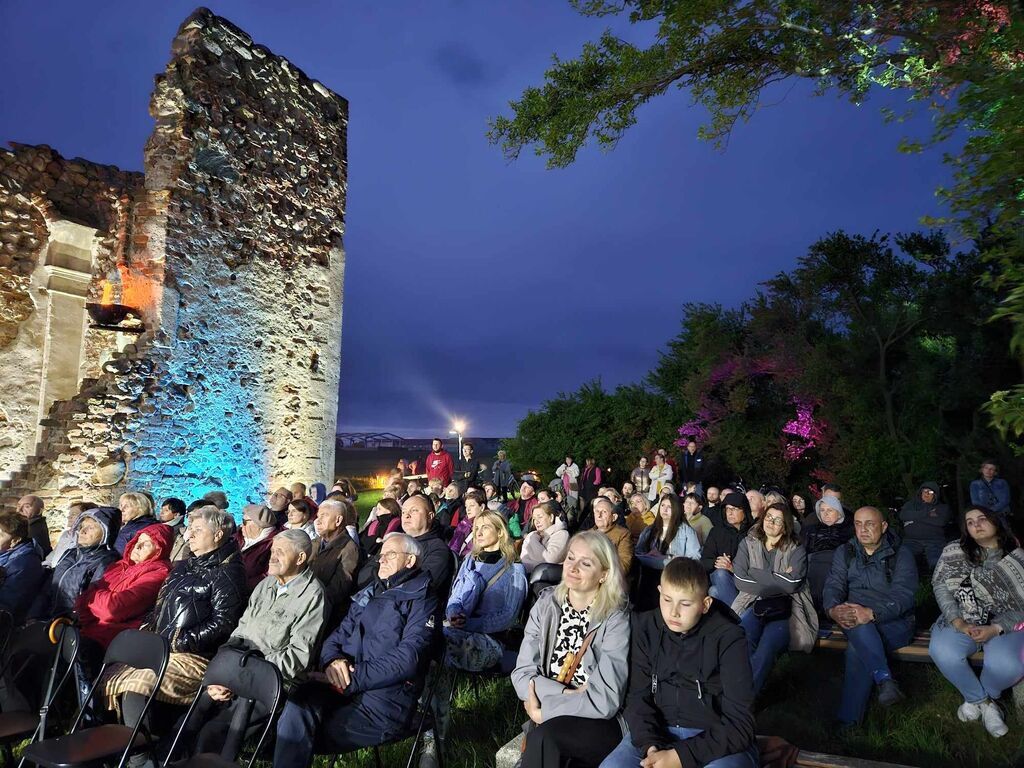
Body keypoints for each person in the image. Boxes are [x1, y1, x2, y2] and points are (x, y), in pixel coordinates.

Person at [273, 533, 436, 768]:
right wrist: (333, 662)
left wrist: (352, 677)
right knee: (297, 706)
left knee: (293, 736)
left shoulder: (421, 598)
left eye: (390, 555)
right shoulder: (371, 591)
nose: (381, 560)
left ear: (410, 561)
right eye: (381, 555)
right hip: (340, 686)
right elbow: (334, 638)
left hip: (382, 700)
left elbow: (409, 658)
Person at [104, 506, 246, 743]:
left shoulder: (229, 572)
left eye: (197, 530)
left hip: (193, 655)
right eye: (189, 528)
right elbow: (159, 605)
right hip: (162, 648)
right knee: (112, 674)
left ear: (218, 534)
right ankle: (115, 746)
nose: (189, 535)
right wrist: (147, 629)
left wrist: (179, 641)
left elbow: (224, 623)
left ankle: (142, 756)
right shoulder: (184, 566)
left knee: (138, 686)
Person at [602, 557, 758, 768]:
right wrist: (651, 746)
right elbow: (637, 697)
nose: (673, 612)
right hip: (658, 732)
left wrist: (680, 757)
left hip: (714, 738)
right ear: (659, 591)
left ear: (705, 604)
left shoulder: (728, 636)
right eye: (667, 599)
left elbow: (740, 723)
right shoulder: (645, 627)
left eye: (685, 603)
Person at [512, 531, 630, 768]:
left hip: (600, 721)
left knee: (545, 739)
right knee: (545, 740)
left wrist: (545, 711)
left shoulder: (615, 619)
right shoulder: (545, 606)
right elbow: (521, 676)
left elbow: (605, 699)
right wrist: (566, 694)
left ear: (604, 575)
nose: (573, 568)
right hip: (558, 712)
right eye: (570, 558)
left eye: (586, 563)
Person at [929, 505, 1024, 737]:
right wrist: (957, 622)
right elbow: (941, 586)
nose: (976, 525)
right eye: (970, 522)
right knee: (942, 650)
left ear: (996, 522)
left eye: (982, 519)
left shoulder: (1017, 555)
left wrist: (995, 628)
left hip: (1006, 621)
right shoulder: (955, 551)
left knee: (1009, 666)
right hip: (963, 614)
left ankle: (986, 696)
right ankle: (983, 702)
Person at [822, 506, 918, 725]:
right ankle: (885, 682)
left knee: (857, 645)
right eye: (858, 523)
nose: (863, 529)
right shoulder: (845, 552)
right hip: (853, 617)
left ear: (883, 526)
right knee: (857, 625)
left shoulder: (901, 554)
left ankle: (848, 723)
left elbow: (904, 596)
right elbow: (833, 586)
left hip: (895, 622)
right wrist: (833, 610)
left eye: (870, 524)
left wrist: (872, 614)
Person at [732, 502, 817, 695]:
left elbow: (792, 583)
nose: (771, 522)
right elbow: (739, 580)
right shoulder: (747, 543)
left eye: (778, 520)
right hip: (752, 604)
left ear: (785, 526)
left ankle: (746, 698)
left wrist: (755, 572)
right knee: (743, 636)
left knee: (768, 645)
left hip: (787, 608)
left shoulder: (796, 548)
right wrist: (777, 578)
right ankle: (740, 687)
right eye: (769, 517)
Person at [445, 510, 527, 670]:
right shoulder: (469, 560)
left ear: (500, 532)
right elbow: (455, 597)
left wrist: (469, 624)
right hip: (461, 629)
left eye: (485, 527)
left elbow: (508, 616)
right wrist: (454, 614)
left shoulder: (514, 569)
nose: (478, 532)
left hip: (494, 639)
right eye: (476, 528)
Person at [77, 525, 173, 651]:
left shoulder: (158, 573)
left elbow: (113, 609)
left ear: (159, 550)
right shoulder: (119, 566)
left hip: (111, 641)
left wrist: (91, 597)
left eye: (147, 544)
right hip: (87, 629)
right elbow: (80, 603)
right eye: (138, 541)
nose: (137, 546)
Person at [33, 505, 120, 620]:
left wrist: (74, 623)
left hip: (72, 625)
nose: (82, 531)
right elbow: (49, 586)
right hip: (49, 618)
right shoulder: (71, 553)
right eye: (82, 526)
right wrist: (34, 615)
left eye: (91, 528)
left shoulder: (107, 561)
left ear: (106, 532)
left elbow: (93, 599)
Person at [311, 498, 362, 630]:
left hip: (319, 612)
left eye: (324, 515)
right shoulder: (315, 543)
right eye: (318, 516)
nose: (318, 520)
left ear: (338, 521)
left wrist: (308, 598)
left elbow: (337, 590)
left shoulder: (348, 548)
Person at [800, 495, 854, 617]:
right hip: (813, 561)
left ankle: (828, 609)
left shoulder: (850, 529)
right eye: (822, 510)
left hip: (838, 562)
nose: (825, 514)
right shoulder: (811, 529)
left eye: (830, 510)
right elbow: (802, 549)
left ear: (839, 512)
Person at [700, 491, 753, 606]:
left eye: (734, 509)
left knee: (714, 592)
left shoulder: (753, 533)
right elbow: (704, 561)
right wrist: (717, 562)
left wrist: (733, 568)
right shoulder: (716, 532)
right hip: (721, 577)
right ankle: (738, 617)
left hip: (744, 579)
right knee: (720, 573)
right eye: (727, 509)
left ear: (744, 510)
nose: (729, 513)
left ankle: (732, 618)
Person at [0, 510, 46, 625]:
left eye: (0, 535)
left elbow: (8, 604)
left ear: (15, 540)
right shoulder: (5, 552)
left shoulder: (25, 564)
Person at [636, 494, 701, 569]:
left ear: (676, 509)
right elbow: (638, 552)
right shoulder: (649, 530)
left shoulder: (687, 531)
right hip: (650, 570)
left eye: (669, 507)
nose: (665, 509)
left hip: (674, 572)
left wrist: (668, 557)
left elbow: (694, 558)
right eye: (662, 505)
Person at [898, 481, 952, 571]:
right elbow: (903, 515)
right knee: (903, 559)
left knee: (938, 565)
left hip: (934, 541)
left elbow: (941, 521)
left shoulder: (943, 507)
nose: (926, 493)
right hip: (911, 541)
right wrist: (927, 513)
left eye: (930, 492)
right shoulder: (911, 505)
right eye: (924, 491)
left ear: (935, 495)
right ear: (920, 492)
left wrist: (914, 517)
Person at [235, 504, 280, 592]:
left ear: (257, 524)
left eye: (244, 521)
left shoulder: (275, 544)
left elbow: (270, 575)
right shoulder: (237, 536)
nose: (241, 525)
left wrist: (241, 585)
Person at [521, 502, 570, 575]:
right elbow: (523, 560)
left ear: (551, 517)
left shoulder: (562, 534)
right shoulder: (533, 535)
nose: (537, 522)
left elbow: (549, 560)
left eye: (540, 517)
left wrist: (533, 540)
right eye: (534, 519)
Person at [592, 497, 632, 576]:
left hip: (608, 579)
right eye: (597, 511)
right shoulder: (588, 534)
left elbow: (624, 565)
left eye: (604, 512)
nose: (599, 516)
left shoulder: (623, 534)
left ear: (614, 517)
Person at [449, 489, 485, 558]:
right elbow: (453, 546)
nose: (468, 509)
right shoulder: (463, 524)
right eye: (466, 506)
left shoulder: (486, 526)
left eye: (472, 505)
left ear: (482, 507)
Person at [159, 497, 191, 561]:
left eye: (166, 510)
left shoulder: (179, 531)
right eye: (161, 509)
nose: (161, 513)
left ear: (176, 515)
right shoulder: (159, 527)